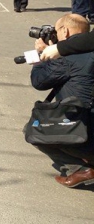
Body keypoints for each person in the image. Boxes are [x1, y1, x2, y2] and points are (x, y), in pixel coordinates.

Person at [29, 13, 94, 188]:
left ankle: (80, 169)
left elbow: (39, 81)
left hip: (84, 131)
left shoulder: (66, 57)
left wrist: (40, 56)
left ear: (64, 31)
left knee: (35, 131)